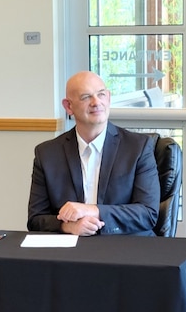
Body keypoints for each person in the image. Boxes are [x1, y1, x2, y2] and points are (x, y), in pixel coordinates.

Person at [28, 71, 159, 236]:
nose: (96, 102)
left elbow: (148, 214)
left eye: (101, 94)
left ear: (109, 97)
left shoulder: (138, 147)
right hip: (71, 250)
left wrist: (92, 211)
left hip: (125, 246)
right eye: (85, 97)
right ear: (68, 106)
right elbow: (36, 219)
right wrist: (67, 226)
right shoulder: (47, 154)